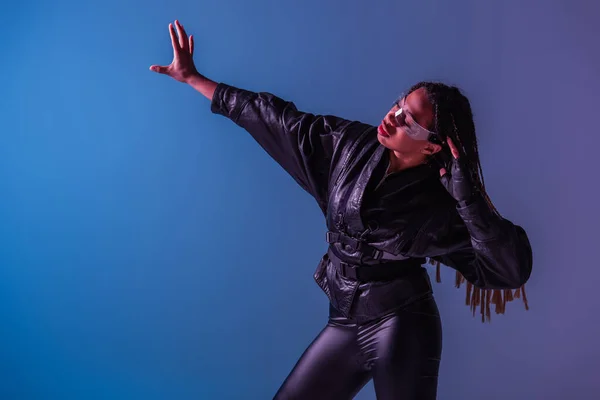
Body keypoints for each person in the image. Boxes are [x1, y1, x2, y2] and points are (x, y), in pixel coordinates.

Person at [150, 20, 533, 400]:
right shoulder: (347, 146)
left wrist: (468, 202)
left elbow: (509, 269)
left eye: (410, 121)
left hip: (402, 326)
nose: (394, 116)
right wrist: (193, 78)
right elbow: (270, 116)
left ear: (432, 147)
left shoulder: (443, 204)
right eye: (400, 104)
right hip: (345, 320)